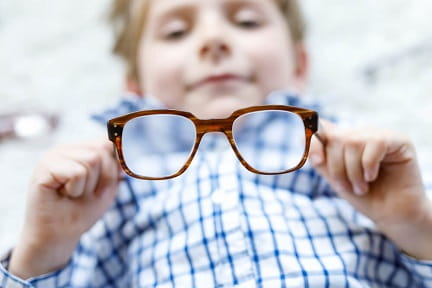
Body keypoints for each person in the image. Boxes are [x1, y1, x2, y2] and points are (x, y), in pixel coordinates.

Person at [1, 0, 431, 286]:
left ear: (300, 65)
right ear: (134, 86)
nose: (213, 41)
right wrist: (44, 249)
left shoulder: (348, 150)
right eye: (175, 33)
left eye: (246, 21)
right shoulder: (106, 176)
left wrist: (415, 227)